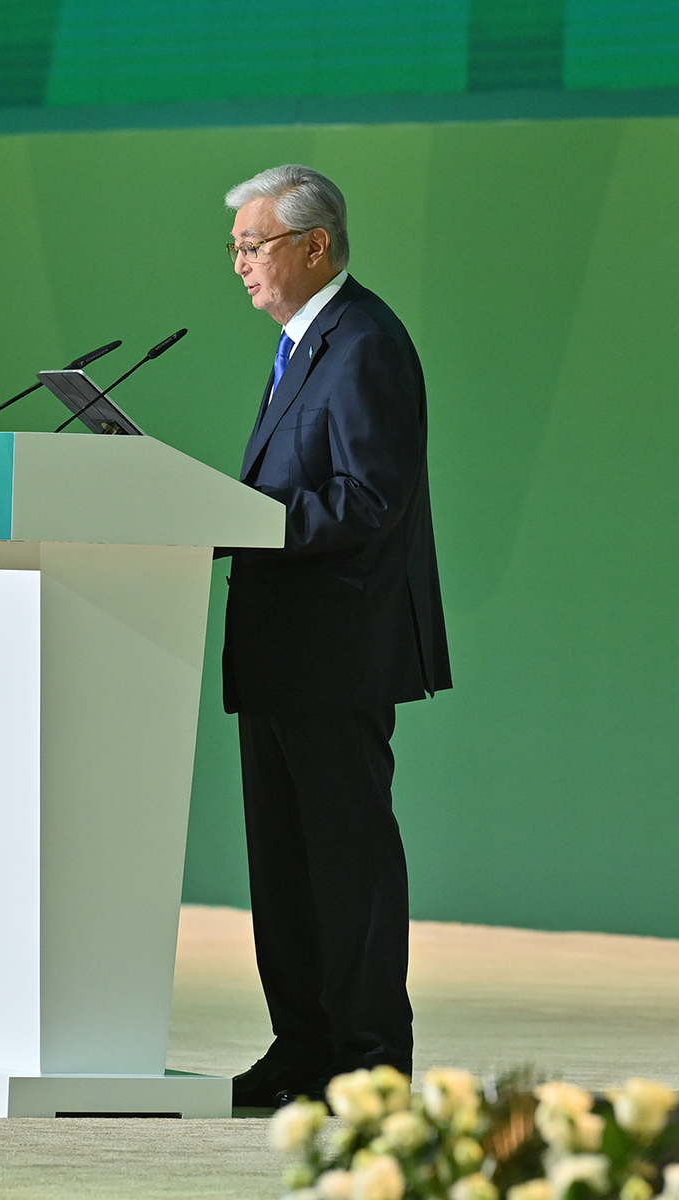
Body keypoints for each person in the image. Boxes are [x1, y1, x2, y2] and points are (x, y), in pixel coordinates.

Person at [216, 164, 451, 1108]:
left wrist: (239, 519)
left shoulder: (363, 344)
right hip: (281, 652)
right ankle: (302, 1046)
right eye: (235, 247)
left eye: (254, 245)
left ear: (316, 246)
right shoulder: (302, 346)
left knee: (346, 864)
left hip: (336, 651)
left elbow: (367, 499)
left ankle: (368, 1060)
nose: (240, 263)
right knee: (285, 868)